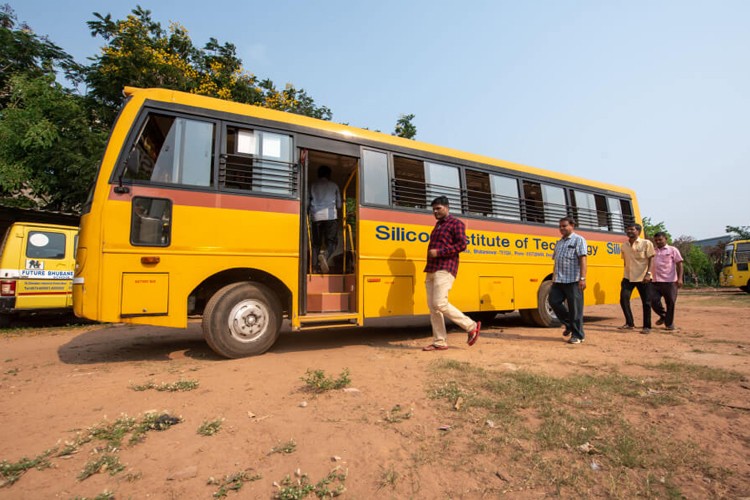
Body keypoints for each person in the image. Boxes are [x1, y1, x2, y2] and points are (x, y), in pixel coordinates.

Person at [422, 196, 481, 351]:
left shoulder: (456, 224)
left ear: (447, 207)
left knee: (440, 303)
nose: (435, 211)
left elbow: (462, 245)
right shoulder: (438, 226)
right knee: (433, 308)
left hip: (446, 268)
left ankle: (471, 325)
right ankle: (439, 342)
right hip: (432, 269)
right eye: (433, 209)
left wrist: (439, 252)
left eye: (438, 208)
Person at [549, 217, 588, 345]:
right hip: (559, 280)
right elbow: (556, 261)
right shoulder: (559, 242)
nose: (561, 228)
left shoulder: (579, 240)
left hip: (574, 280)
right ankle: (569, 324)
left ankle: (578, 335)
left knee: (575, 309)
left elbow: (583, 260)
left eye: (564, 226)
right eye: (560, 226)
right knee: (553, 301)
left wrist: (582, 278)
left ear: (572, 225)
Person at [619, 222, 655, 334]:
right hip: (628, 277)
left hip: (643, 277)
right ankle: (629, 323)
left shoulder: (646, 243)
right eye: (628, 229)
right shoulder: (624, 245)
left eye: (632, 229)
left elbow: (651, 259)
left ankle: (647, 326)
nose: (629, 231)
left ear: (638, 231)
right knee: (623, 299)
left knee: (646, 302)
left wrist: (648, 273)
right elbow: (625, 261)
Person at [309, 165, 341, 274]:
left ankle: (313, 268)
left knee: (316, 244)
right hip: (330, 216)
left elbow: (308, 202)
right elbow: (339, 205)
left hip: (316, 217)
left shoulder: (312, 185)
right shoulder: (334, 186)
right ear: (329, 175)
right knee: (332, 242)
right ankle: (325, 255)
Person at [650, 231, 684, 330]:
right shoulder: (653, 251)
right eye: (656, 240)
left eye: (660, 239)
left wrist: (680, 278)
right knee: (653, 300)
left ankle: (669, 324)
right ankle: (664, 316)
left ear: (666, 239)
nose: (658, 242)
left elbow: (680, 264)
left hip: (670, 281)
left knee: (670, 302)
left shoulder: (673, 250)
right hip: (655, 281)